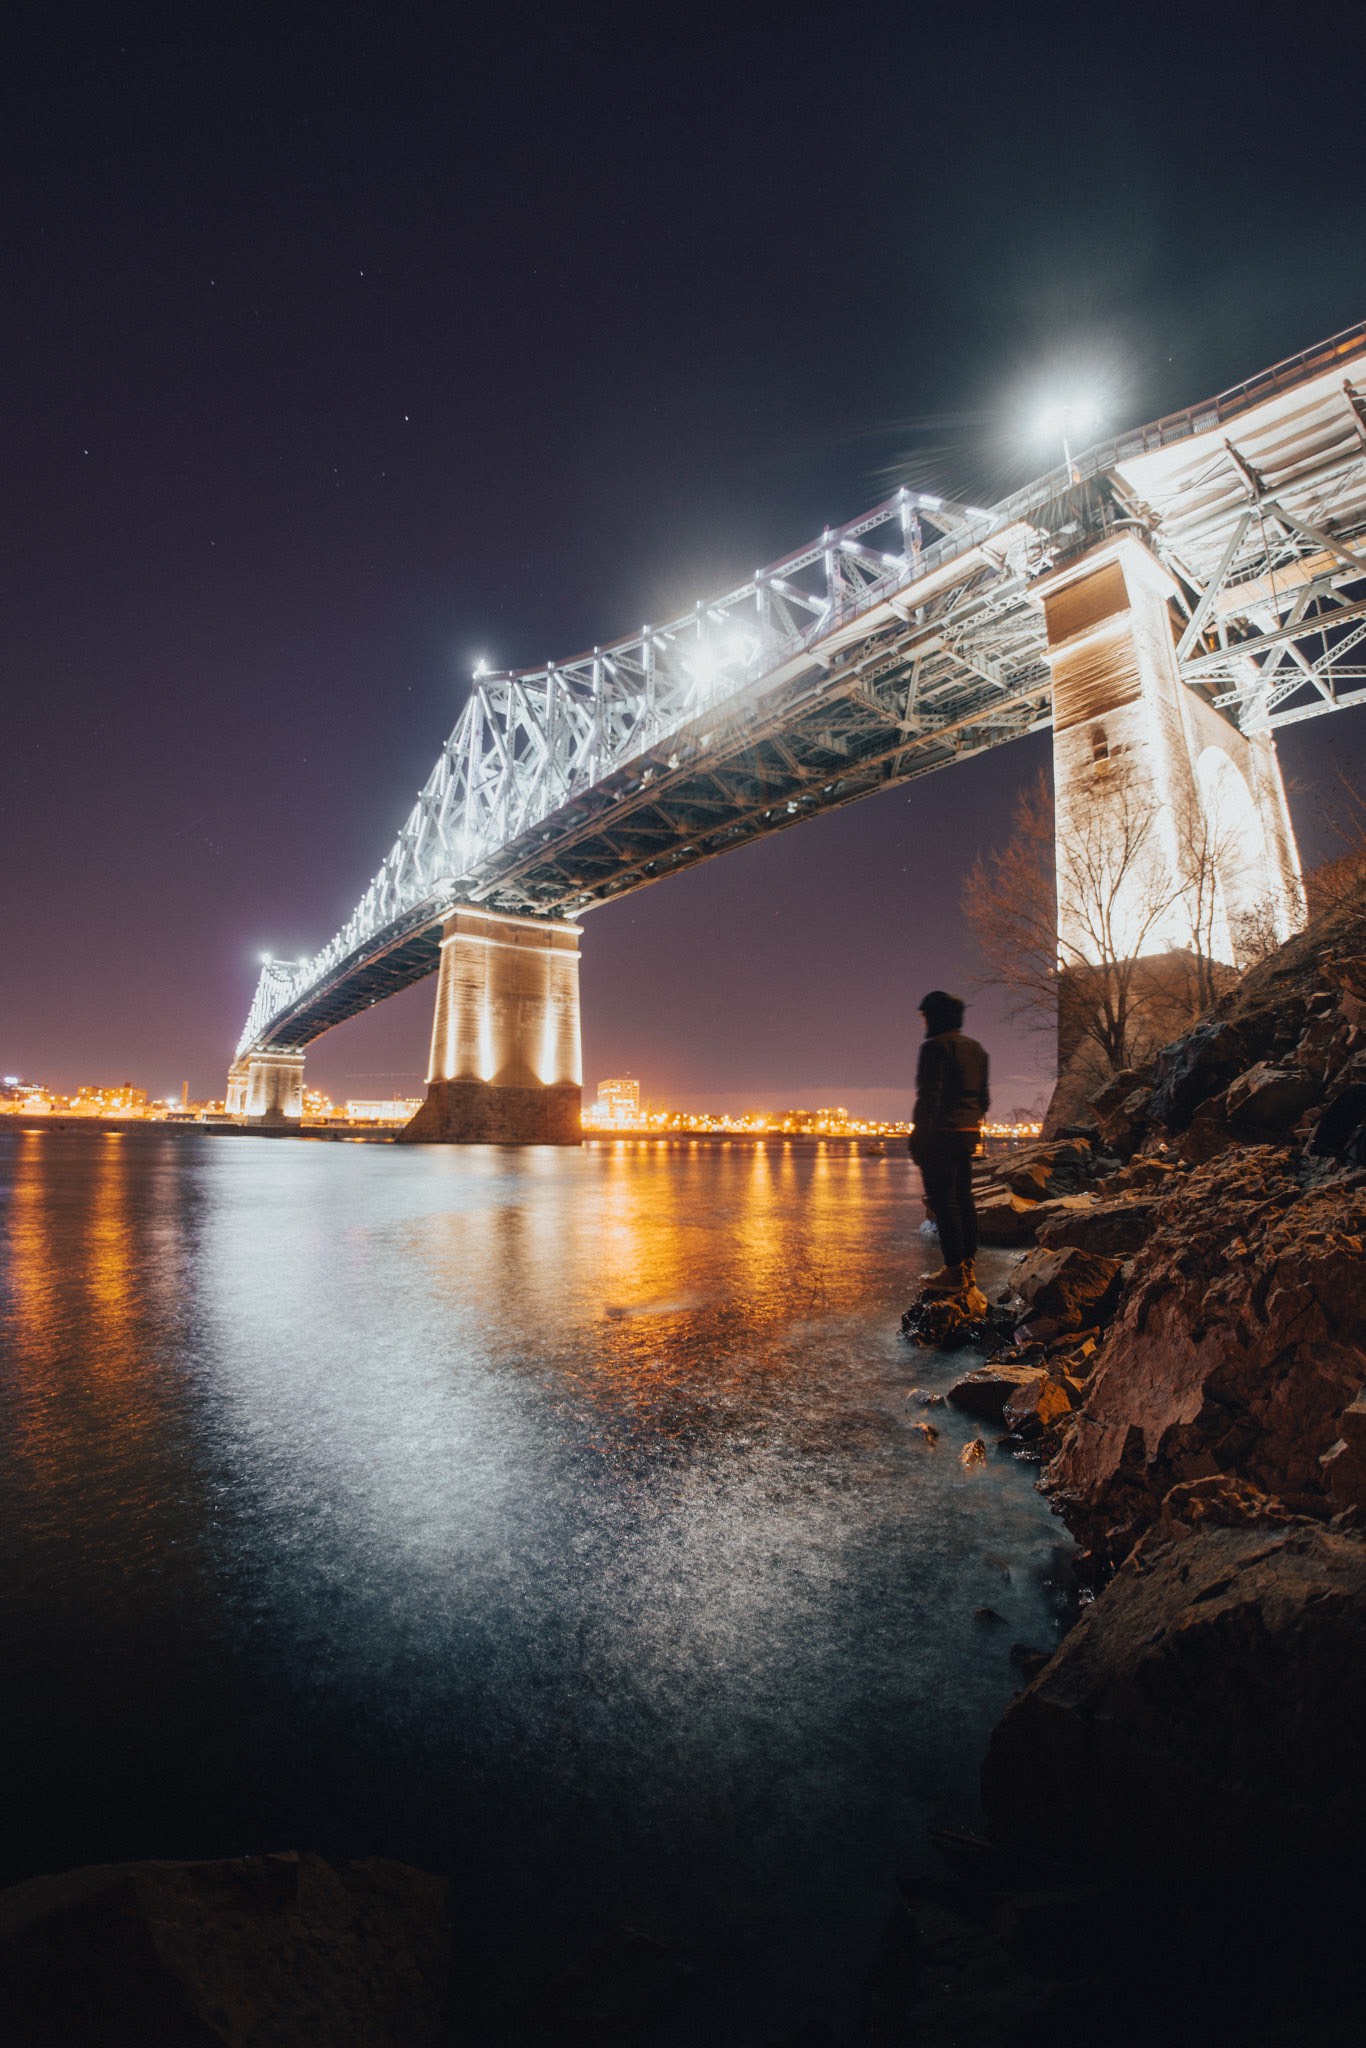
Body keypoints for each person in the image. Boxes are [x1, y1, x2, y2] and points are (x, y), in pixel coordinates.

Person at [908, 990, 989, 1294]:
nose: (923, 1022)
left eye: (925, 1016)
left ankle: (954, 1270)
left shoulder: (934, 1048)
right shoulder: (977, 1050)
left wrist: (919, 1138)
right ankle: (967, 1263)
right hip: (967, 1134)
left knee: (944, 1202)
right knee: (963, 1198)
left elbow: (929, 1097)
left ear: (935, 1017)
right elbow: (984, 1098)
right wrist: (969, 1123)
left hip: (940, 1135)